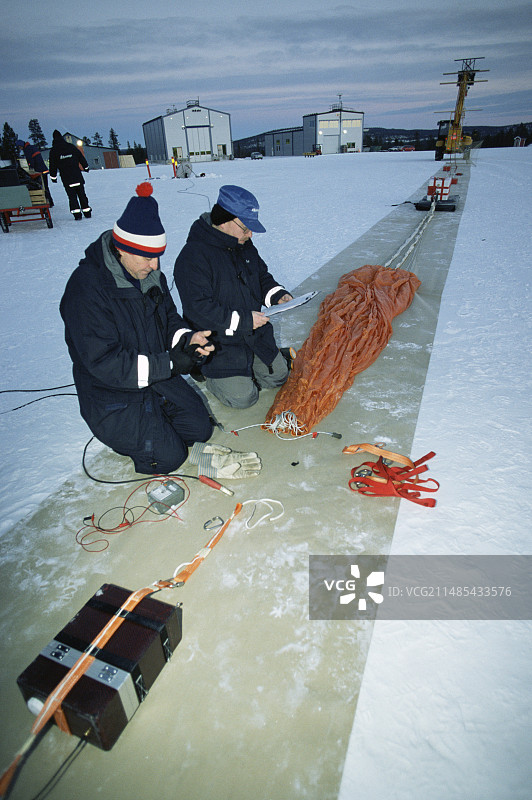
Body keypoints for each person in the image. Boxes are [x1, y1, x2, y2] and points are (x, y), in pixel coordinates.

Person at [60, 182, 215, 474]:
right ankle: (143, 437)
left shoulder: (149, 275)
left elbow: (169, 319)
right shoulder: (86, 290)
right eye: (147, 257)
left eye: (158, 256)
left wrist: (187, 340)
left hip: (154, 378)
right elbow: (105, 363)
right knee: (171, 457)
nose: (155, 265)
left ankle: (157, 420)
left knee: (200, 429)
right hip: (111, 392)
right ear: (122, 248)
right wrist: (169, 362)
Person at [173, 185, 293, 409]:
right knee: (243, 398)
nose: (250, 234)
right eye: (245, 228)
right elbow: (198, 309)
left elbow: (261, 277)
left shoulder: (243, 245)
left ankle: (250, 369)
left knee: (278, 377)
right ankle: (203, 370)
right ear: (224, 219)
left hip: (254, 335)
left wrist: (278, 294)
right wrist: (245, 321)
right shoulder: (193, 257)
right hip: (219, 342)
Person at [48, 130, 91, 220]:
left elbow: (52, 165)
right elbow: (81, 157)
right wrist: (86, 167)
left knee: (72, 197)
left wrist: (53, 177)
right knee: (82, 194)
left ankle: (77, 215)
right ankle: (87, 213)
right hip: (77, 176)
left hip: (67, 178)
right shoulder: (71, 147)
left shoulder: (54, 151)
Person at [16, 139, 54, 206]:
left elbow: (30, 160)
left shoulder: (27, 150)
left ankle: (46, 202)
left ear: (21, 145)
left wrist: (31, 169)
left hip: (39, 171)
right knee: (45, 186)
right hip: (43, 169)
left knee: (41, 186)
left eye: (19, 147)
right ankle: (50, 201)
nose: (20, 149)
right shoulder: (32, 147)